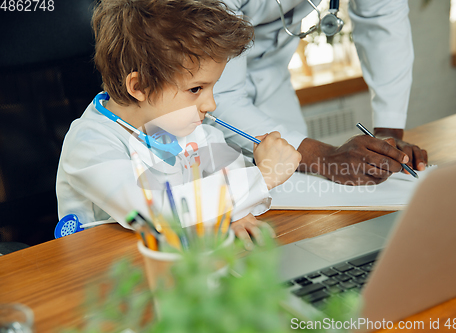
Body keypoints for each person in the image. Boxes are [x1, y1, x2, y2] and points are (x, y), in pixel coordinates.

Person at [56, 0, 301, 249]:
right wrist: (264, 177)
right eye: (196, 89)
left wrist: (236, 212)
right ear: (139, 87)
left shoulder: (189, 129)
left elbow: (230, 181)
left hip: (175, 261)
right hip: (103, 271)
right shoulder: (89, 145)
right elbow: (154, 212)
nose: (211, 104)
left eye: (212, 86)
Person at [212, 0, 428, 185]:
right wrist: (325, 157)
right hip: (203, 87)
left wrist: (386, 133)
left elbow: (383, 18)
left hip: (273, 80)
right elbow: (217, 95)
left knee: (300, 189)